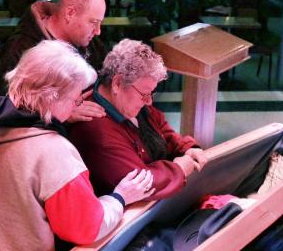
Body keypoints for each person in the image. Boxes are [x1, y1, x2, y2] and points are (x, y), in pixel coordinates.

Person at [0, 40, 155, 251]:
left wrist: (60, 115)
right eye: (74, 98)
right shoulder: (53, 152)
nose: (78, 104)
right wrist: (119, 198)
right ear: (51, 97)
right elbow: (88, 227)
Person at [69, 39, 206, 201]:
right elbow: (140, 183)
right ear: (117, 83)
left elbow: (161, 128)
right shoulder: (96, 130)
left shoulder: (128, 102)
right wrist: (179, 170)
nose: (149, 102)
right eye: (144, 94)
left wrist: (185, 147)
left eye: (151, 94)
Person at [0, 0, 108, 107]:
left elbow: (109, 77)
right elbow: (4, 108)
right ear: (70, 13)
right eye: (93, 22)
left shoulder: (89, 42)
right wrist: (63, 113)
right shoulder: (18, 50)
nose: (98, 31)